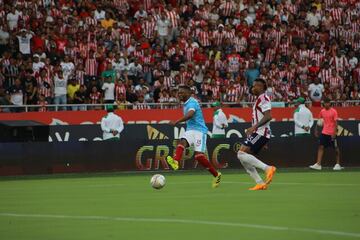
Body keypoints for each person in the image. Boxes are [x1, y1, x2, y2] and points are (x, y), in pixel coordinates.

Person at [166, 85, 222, 188]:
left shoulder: (192, 102)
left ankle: (216, 174)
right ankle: (175, 161)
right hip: (190, 130)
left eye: (182, 92)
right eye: (179, 93)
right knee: (182, 141)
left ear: (188, 93)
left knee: (199, 156)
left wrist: (176, 121)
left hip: (200, 131)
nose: (179, 94)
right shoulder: (186, 103)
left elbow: (190, 114)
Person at [237, 78, 276, 191]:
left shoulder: (263, 98)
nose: (253, 88)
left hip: (260, 132)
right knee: (242, 157)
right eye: (253, 86)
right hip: (259, 133)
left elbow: (268, 116)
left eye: (256, 86)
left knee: (240, 154)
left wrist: (254, 127)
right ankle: (260, 183)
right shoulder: (259, 99)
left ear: (262, 87)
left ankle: (268, 168)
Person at [310, 98, 343, 171]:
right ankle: (318, 164)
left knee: (336, 148)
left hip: (332, 133)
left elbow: (336, 123)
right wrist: (316, 129)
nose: (326, 104)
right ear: (323, 103)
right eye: (324, 103)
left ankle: (337, 164)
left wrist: (334, 133)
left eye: (327, 103)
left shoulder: (334, 111)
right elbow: (319, 121)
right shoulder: (322, 111)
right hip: (324, 132)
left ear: (329, 103)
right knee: (321, 147)